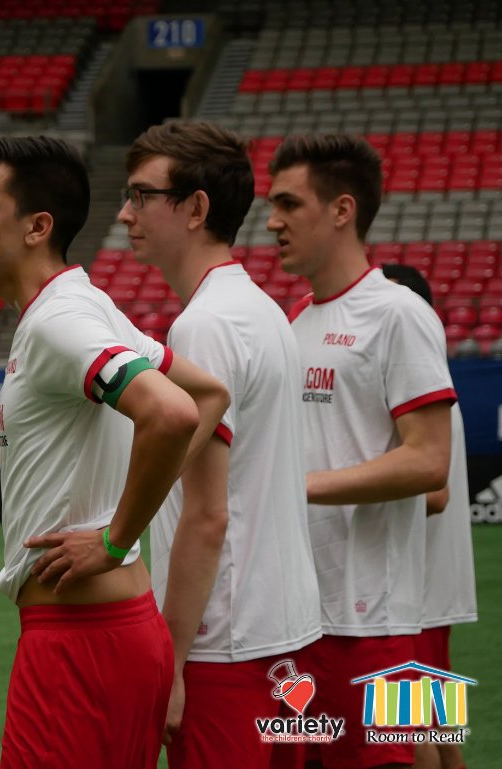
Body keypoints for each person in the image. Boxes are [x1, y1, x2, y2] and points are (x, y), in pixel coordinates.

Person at [0, 136, 230, 769]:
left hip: (81, 644)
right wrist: (132, 506)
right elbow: (208, 392)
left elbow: (176, 410)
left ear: (36, 226)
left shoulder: (59, 321)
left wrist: (112, 537)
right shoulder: (81, 303)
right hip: (118, 633)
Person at [119, 120, 321, 768]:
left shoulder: (205, 324)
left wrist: (170, 662)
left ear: (196, 207)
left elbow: (207, 514)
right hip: (285, 632)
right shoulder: (264, 310)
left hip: (224, 642)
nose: (125, 211)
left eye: (142, 195)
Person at [267, 136, 455, 769]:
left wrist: (300, 487)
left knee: (407, 754)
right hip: (299, 615)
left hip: (375, 618)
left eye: (289, 204)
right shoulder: (294, 322)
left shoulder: (399, 315)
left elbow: (430, 463)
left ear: (342, 210)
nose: (272, 221)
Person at [382, 263, 477, 769]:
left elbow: (434, 494)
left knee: (406, 728)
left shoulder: (420, 395)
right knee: (438, 729)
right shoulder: (434, 391)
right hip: (431, 593)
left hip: (416, 593)